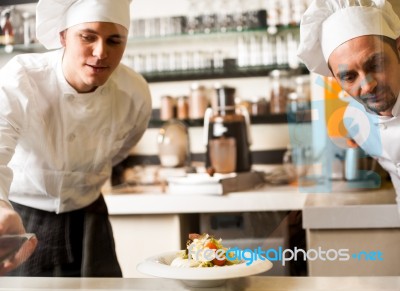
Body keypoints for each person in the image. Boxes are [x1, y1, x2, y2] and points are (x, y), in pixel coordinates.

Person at [0, 0, 152, 277]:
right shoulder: (22, 78)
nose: (101, 52)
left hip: (91, 216)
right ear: (63, 37)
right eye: (88, 37)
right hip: (25, 217)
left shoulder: (134, 92)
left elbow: (122, 148)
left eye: (114, 40)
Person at [297, 0, 400, 208]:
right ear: (336, 79)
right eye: (350, 76)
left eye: (376, 64)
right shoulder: (357, 121)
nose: (368, 86)